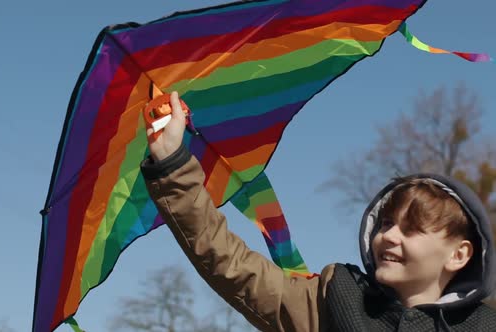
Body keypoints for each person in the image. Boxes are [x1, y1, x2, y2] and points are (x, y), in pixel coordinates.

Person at [140, 92, 496, 331]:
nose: (388, 236)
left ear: (459, 254)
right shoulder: (333, 302)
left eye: (412, 229)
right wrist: (173, 165)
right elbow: (230, 265)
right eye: (386, 223)